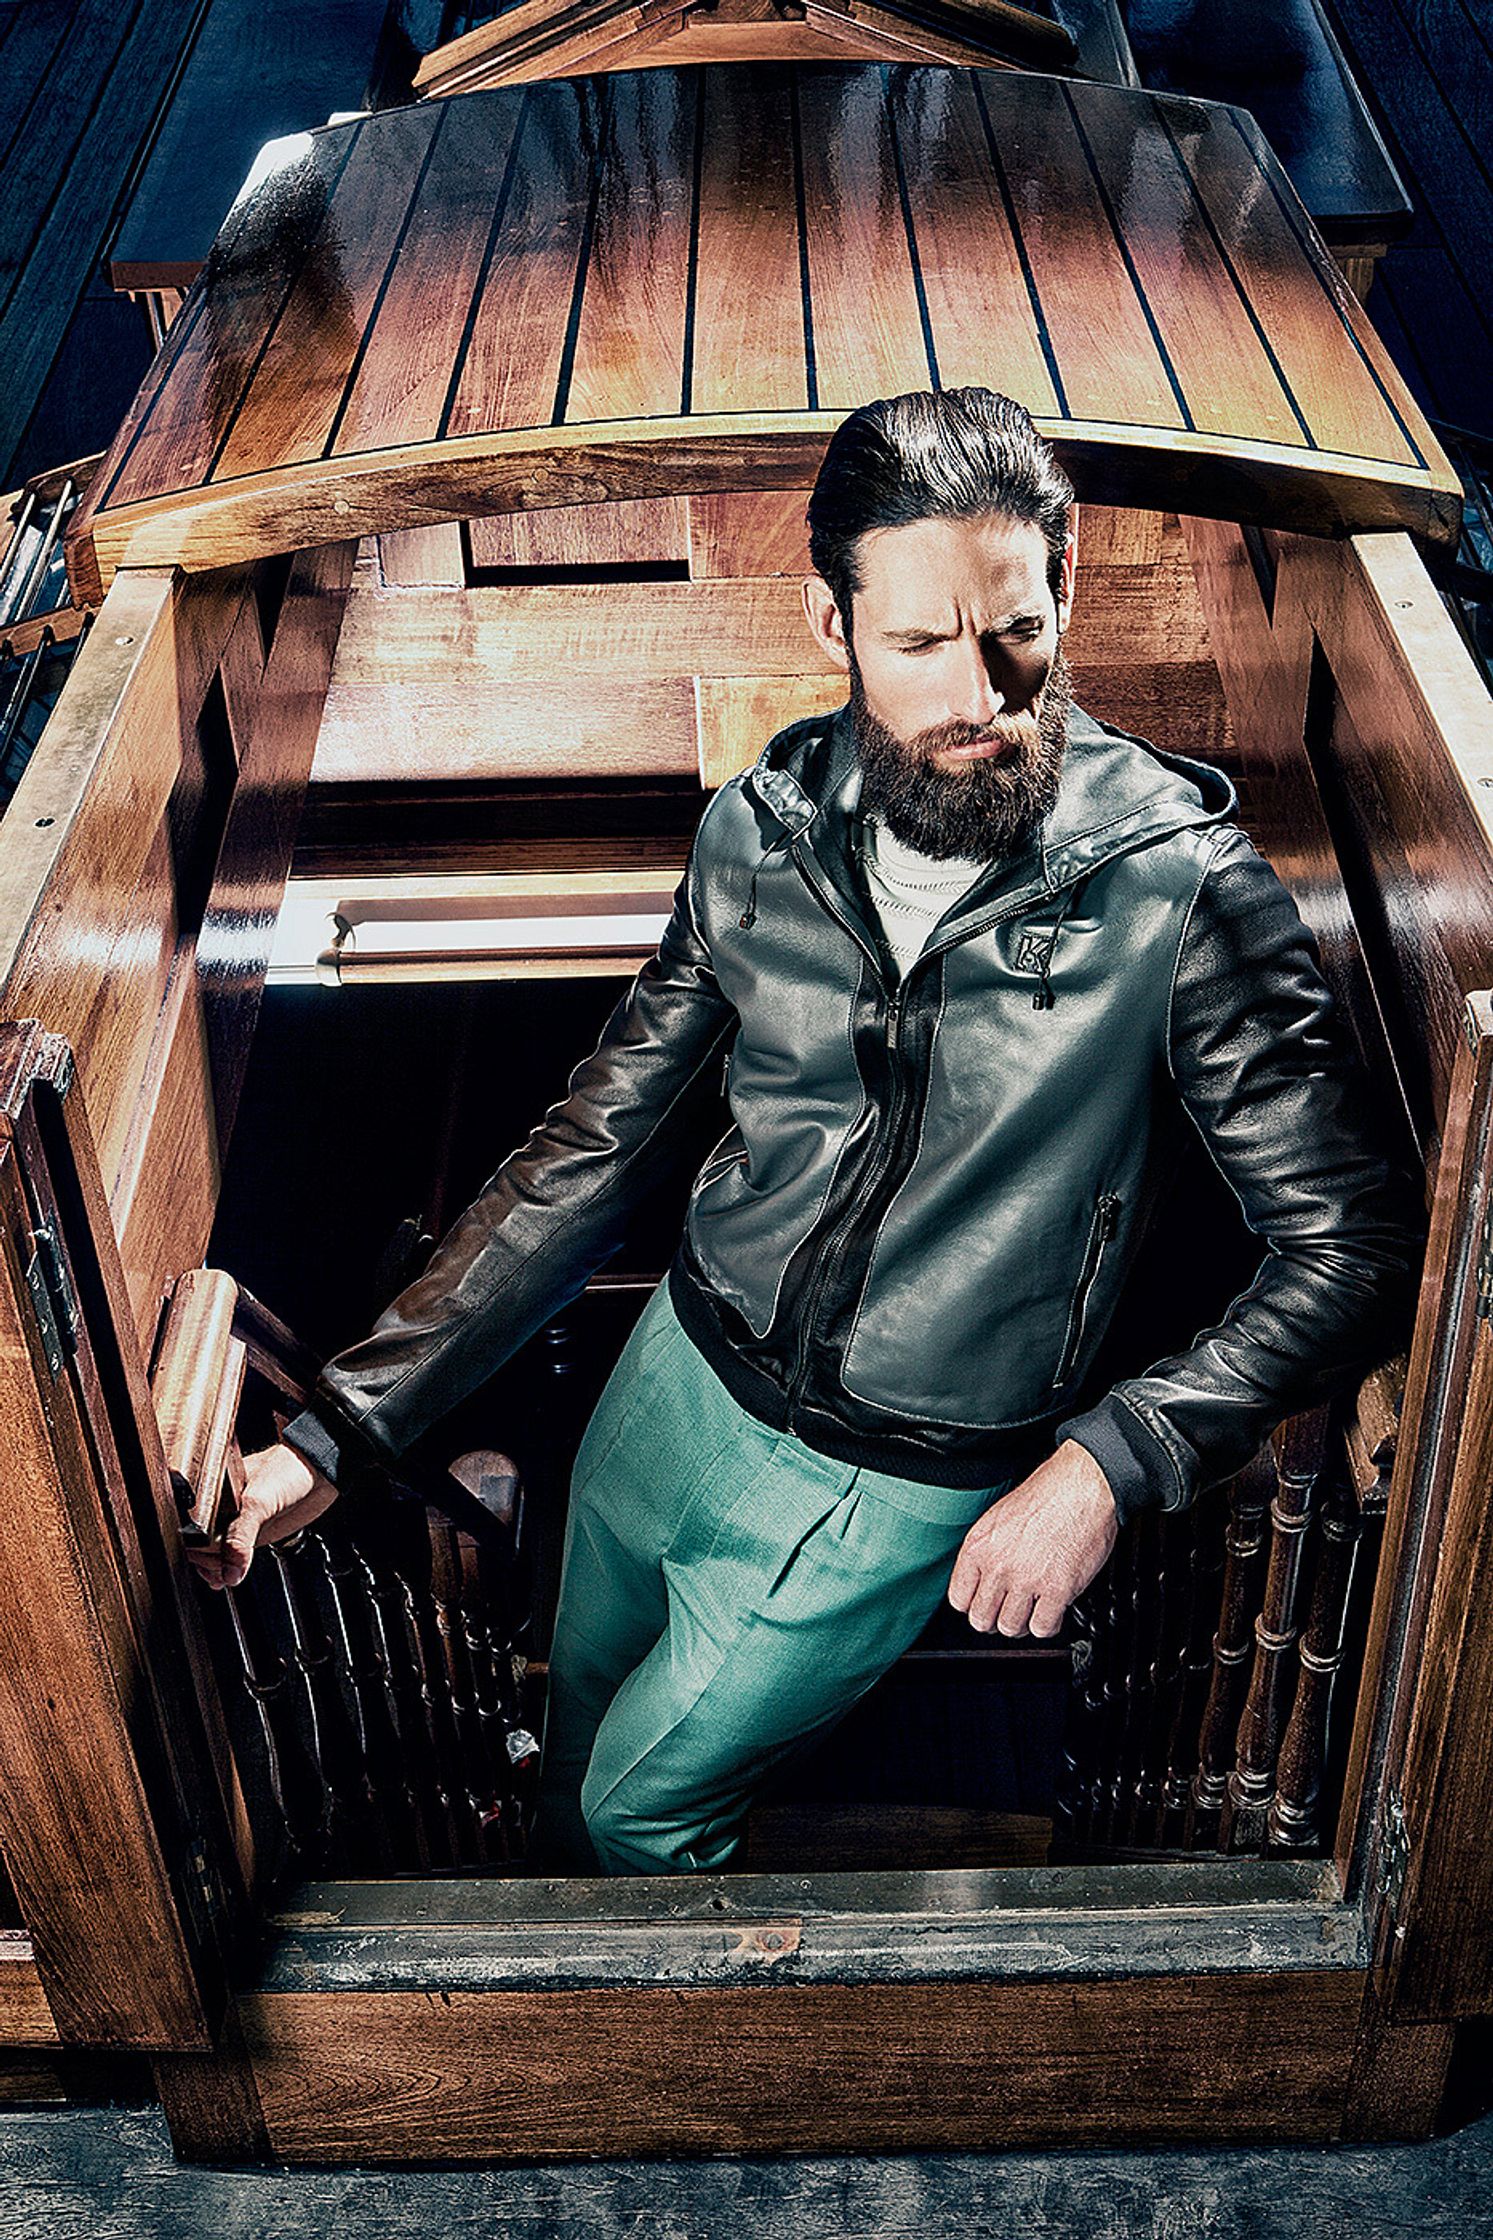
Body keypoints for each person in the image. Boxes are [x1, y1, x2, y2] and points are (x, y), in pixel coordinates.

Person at [186, 388, 1425, 1877]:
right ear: (831, 627)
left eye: (1013, 628)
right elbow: (591, 1150)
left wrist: (1113, 1458)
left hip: (890, 1478)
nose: (980, 693)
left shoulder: (1179, 889)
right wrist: (335, 1431)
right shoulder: (756, 830)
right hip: (672, 1381)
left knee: (630, 1818)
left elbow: (1349, 1240)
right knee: (572, 1736)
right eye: (915, 644)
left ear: (1065, 583)